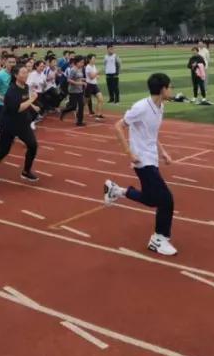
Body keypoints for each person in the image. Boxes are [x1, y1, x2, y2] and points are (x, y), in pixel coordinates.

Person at [102, 72, 177, 257]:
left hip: (152, 158)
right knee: (166, 199)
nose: (172, 90)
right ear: (163, 89)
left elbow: (152, 134)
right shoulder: (141, 107)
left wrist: (163, 152)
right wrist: (129, 152)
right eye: (170, 87)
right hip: (142, 161)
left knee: (151, 199)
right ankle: (158, 239)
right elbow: (118, 126)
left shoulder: (160, 107)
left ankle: (116, 191)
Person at [0, 64, 40, 183]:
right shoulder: (11, 91)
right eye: (23, 73)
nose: (26, 75)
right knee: (4, 150)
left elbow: (25, 100)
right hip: (9, 124)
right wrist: (32, 99)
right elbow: (18, 108)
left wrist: (32, 105)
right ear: (16, 75)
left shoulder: (25, 86)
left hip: (22, 123)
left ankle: (26, 171)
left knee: (33, 145)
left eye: (27, 72)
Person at [59, 56, 87, 126]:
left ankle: (79, 121)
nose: (82, 64)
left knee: (81, 105)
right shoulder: (73, 70)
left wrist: (84, 80)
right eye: (81, 62)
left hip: (80, 90)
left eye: (83, 62)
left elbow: (78, 77)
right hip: (73, 91)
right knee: (73, 106)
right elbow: (69, 80)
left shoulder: (80, 69)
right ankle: (64, 111)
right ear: (77, 63)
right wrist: (79, 83)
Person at [84, 54, 104, 122]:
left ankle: (98, 115)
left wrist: (97, 76)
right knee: (85, 102)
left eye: (95, 58)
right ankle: (78, 111)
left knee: (101, 99)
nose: (94, 60)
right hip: (89, 85)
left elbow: (95, 75)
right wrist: (97, 73)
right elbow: (91, 77)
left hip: (95, 85)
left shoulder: (94, 66)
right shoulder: (88, 67)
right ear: (89, 59)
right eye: (93, 58)